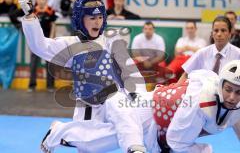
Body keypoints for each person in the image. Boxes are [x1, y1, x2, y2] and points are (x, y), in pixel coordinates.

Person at [18, 0, 147, 153]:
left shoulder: (111, 40)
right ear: (80, 20)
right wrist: (29, 17)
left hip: (113, 96)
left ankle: (134, 148)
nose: (97, 22)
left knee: (127, 117)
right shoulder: (71, 44)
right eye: (92, 18)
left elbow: (128, 69)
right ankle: (59, 132)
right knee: (88, 146)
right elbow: (40, 46)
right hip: (87, 104)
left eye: (100, 17)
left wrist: (138, 95)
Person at [32, 60, 240, 153]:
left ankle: (59, 132)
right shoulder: (200, 104)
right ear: (221, 84)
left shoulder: (220, 92)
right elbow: (175, 142)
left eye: (238, 92)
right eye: (228, 89)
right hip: (149, 115)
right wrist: (204, 150)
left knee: (106, 137)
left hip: (155, 111)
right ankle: (58, 133)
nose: (231, 97)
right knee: (101, 142)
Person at [178, 16, 240, 83]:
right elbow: (185, 75)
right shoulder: (202, 53)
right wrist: (176, 91)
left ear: (230, 34)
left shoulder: (238, 54)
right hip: (203, 92)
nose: (219, 34)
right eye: (216, 30)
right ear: (212, 34)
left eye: (223, 30)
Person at [28, 0, 57, 92]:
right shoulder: (32, 12)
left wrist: (52, 39)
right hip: (35, 43)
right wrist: (30, 41)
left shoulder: (51, 11)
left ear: (46, 0)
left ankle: (50, 86)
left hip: (47, 42)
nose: (41, 0)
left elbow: (53, 25)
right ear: (36, 0)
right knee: (33, 65)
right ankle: (32, 86)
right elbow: (30, 28)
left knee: (49, 64)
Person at [132, 21, 166, 85]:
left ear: (153, 30)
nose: (147, 31)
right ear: (143, 30)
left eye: (150, 29)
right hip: (141, 62)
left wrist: (150, 62)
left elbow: (161, 55)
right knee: (133, 62)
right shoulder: (137, 38)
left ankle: (160, 84)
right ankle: (135, 82)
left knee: (162, 64)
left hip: (155, 62)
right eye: (145, 29)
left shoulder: (159, 39)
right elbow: (135, 53)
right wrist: (145, 61)